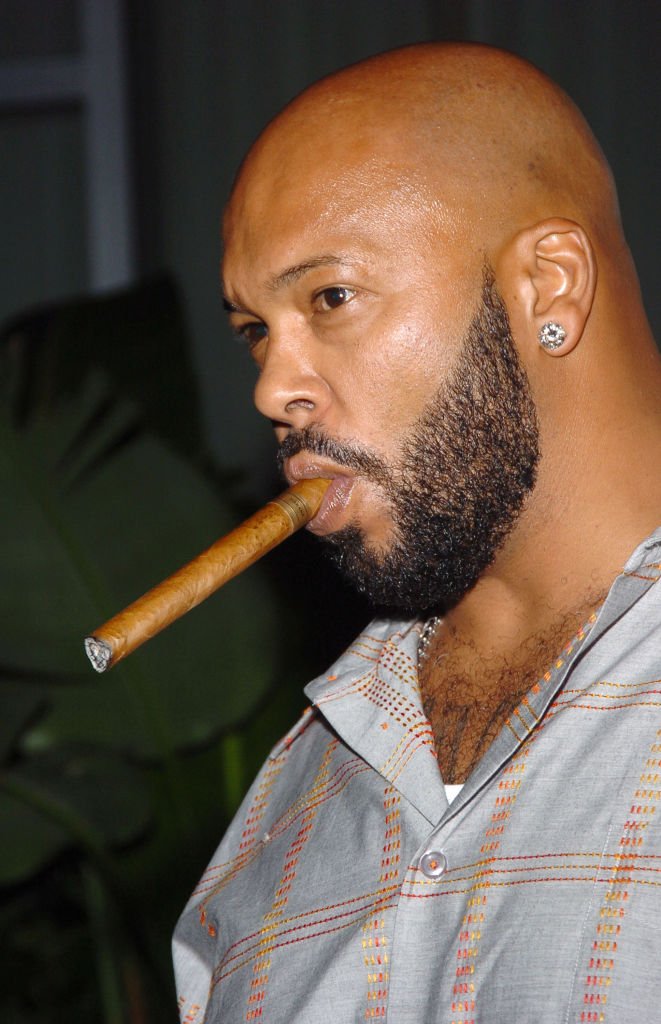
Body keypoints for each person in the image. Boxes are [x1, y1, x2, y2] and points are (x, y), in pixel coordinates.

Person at [173, 42, 661, 1022]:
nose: (273, 387)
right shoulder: (288, 804)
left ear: (549, 288)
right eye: (253, 329)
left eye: (330, 297)